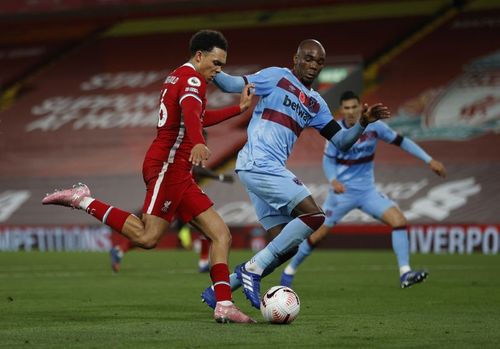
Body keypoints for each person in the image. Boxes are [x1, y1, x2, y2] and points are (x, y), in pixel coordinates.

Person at [42, 29, 256, 324]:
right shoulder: (193, 79)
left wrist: (238, 109)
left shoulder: (178, 76)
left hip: (177, 169)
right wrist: (197, 141)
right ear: (199, 56)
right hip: (168, 166)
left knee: (221, 234)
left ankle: (223, 304)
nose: (218, 72)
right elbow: (192, 116)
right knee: (147, 236)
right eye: (216, 63)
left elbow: (198, 115)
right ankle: (83, 200)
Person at [201, 39, 391, 310]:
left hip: (265, 169)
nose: (313, 65)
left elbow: (342, 142)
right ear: (296, 58)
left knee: (286, 245)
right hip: (259, 162)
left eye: (319, 62)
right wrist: (212, 67)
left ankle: (220, 289)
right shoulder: (277, 76)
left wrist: (362, 122)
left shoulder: (316, 103)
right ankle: (252, 270)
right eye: (308, 58)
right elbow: (233, 85)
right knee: (314, 216)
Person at [280, 90, 447, 289]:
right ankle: (289, 271)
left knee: (399, 221)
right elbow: (328, 161)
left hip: (368, 193)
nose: (350, 112)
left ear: (360, 107)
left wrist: (429, 160)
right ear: (341, 110)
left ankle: (405, 273)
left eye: (354, 107)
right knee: (317, 235)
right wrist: (333, 180)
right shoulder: (336, 133)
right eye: (346, 108)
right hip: (341, 195)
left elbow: (401, 141)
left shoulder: (375, 127)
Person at [109, 152, 235, 274]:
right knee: (152, 234)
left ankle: (202, 261)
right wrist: (220, 177)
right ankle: (120, 249)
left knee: (207, 230)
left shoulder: (189, 152)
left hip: (182, 196)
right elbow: (198, 170)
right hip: (175, 196)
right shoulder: (188, 149)